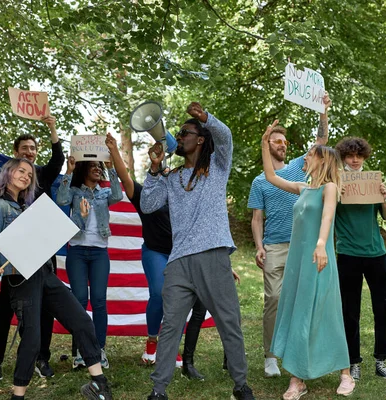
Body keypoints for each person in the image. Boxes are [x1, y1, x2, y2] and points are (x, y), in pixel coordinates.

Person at [141, 102, 255, 400]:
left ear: (201, 139)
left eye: (184, 132)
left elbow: (226, 137)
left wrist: (206, 118)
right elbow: (148, 205)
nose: (177, 137)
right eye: (178, 133)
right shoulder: (172, 176)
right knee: (170, 327)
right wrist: (153, 170)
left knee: (228, 322)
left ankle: (241, 385)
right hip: (179, 262)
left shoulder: (217, 166)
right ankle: (158, 390)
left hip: (213, 254)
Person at [0, 158, 112, 400]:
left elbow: (51, 237)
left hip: (45, 273)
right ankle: (17, 395)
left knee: (81, 321)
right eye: (21, 171)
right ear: (8, 173)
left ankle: (99, 384)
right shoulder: (0, 207)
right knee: (32, 338)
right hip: (20, 279)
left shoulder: (27, 208)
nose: (27, 176)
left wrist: (80, 217)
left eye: (30, 174)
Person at [106, 132, 233, 379]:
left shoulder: (182, 192)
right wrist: (113, 150)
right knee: (159, 293)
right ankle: (152, 338)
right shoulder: (145, 196)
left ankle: (171, 347)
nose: (167, 174)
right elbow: (125, 177)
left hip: (183, 253)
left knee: (179, 301)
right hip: (154, 252)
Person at [0, 116, 64, 380]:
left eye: (33, 149)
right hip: (12, 259)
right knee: (6, 310)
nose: (29, 153)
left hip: (42, 250)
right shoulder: (4, 190)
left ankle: (41, 359)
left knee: (43, 309)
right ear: (15, 155)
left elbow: (58, 160)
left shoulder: (42, 174)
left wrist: (52, 127)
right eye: (24, 149)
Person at [262, 120, 355, 399]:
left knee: (325, 312)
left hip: (319, 258)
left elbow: (327, 216)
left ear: (321, 160)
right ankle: (298, 378)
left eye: (309, 154)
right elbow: (270, 177)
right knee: (298, 312)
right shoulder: (304, 188)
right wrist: (265, 143)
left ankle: (346, 373)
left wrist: (321, 244)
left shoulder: (329, 187)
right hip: (298, 262)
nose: (304, 157)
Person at [248, 94, 331, 377]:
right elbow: (257, 218)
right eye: (276, 141)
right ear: (269, 144)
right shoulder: (260, 181)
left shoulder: (300, 169)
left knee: (300, 299)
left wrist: (323, 112)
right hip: (274, 246)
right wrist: (259, 246)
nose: (282, 145)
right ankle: (270, 355)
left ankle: (296, 352)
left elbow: (321, 145)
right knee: (273, 298)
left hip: (302, 245)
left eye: (284, 142)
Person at [334, 137, 386, 381]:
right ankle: (353, 362)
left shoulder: (374, 182)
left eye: (358, 156)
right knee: (350, 311)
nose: (354, 160)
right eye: (350, 156)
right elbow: (325, 211)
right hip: (348, 254)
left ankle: (381, 360)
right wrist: (336, 195)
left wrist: (383, 196)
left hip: (376, 254)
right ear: (344, 158)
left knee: (383, 308)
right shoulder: (336, 181)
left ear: (364, 157)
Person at [56, 151, 123, 369]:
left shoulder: (104, 194)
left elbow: (118, 195)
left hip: (99, 252)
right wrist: (69, 170)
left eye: (99, 166)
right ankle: (79, 352)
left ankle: (99, 349)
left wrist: (111, 166)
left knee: (99, 301)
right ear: (84, 169)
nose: (97, 168)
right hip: (77, 250)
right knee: (79, 301)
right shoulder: (75, 192)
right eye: (92, 166)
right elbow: (61, 199)